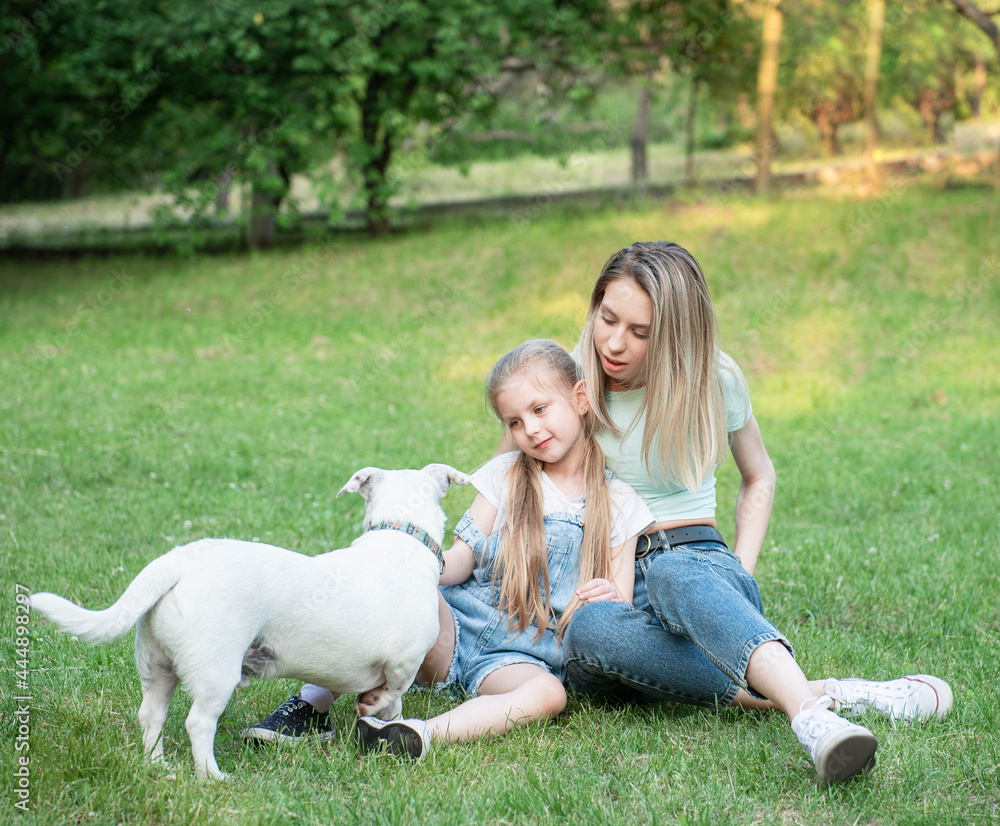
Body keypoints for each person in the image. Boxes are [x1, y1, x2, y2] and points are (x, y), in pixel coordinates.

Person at [558, 241, 952, 783]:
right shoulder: (566, 380)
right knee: (587, 630)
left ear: (676, 336)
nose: (615, 343)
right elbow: (518, 489)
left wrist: (741, 568)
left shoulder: (714, 379)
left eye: (640, 332)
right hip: (611, 578)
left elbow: (759, 474)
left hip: (695, 564)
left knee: (674, 573)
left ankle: (812, 724)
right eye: (607, 319)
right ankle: (824, 694)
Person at [245, 339, 654, 758]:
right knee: (387, 601)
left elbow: (620, 602)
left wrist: (605, 595)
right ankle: (309, 706)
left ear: (581, 399)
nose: (529, 429)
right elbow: (462, 558)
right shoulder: (506, 475)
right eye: (514, 422)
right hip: (450, 625)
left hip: (522, 656)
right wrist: (415, 563)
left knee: (549, 695)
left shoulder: (621, 504)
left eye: (539, 409)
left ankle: (415, 732)